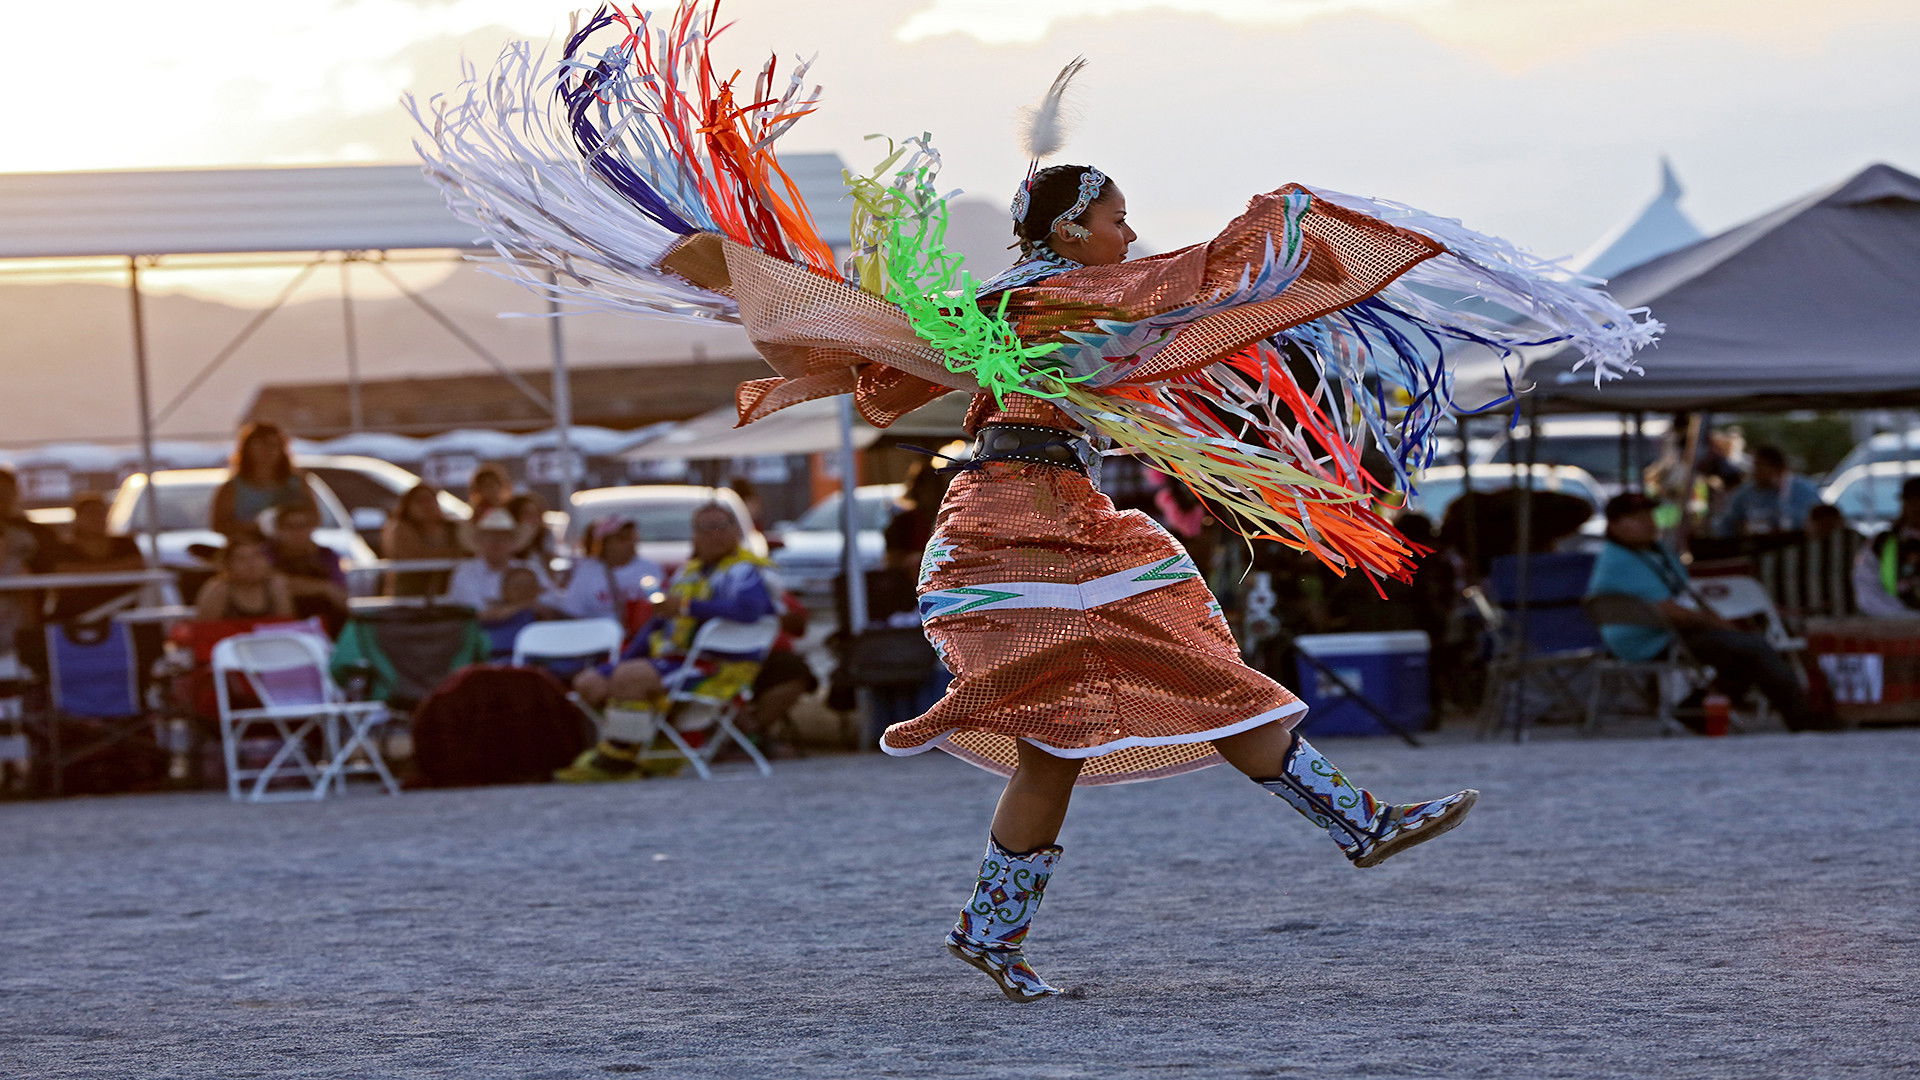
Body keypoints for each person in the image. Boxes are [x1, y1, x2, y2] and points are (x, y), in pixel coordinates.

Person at [424, 23, 1661, 1000]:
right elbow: (1189, 285)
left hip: (1060, 523)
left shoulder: (1028, 303)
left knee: (1112, 721)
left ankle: (1319, 835)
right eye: (1113, 213)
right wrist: (1290, 228)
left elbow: (1088, 328)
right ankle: (1325, 832)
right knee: (1085, 724)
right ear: (1074, 225)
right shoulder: (1055, 298)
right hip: (1019, 530)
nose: (1130, 231)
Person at [557, 504, 786, 782]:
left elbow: (752, 610)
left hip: (718, 667)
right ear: (694, 536)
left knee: (631, 678)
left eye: (720, 527)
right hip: (672, 660)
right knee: (589, 683)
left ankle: (618, 760)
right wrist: (626, 658)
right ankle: (652, 746)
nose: (714, 535)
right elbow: (659, 622)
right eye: (705, 528)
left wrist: (689, 607)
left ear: (736, 531)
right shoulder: (687, 573)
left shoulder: (746, 571)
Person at [1587, 493, 1823, 731]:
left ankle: (1697, 709)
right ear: (1615, 525)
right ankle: (1802, 719)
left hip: (1666, 632)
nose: (1649, 522)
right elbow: (1673, 613)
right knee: (1753, 649)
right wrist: (1717, 623)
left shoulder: (1653, 551)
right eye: (1637, 518)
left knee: (1745, 650)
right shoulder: (1621, 560)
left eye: (1649, 515)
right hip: (1653, 638)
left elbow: (1684, 593)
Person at [43, 493, 146, 623]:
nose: (97, 518)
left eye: (101, 513)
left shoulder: (125, 544)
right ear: (78, 518)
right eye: (91, 513)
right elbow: (63, 571)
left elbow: (137, 566)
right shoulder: (62, 548)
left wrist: (87, 573)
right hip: (74, 617)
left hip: (124, 612)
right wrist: (116, 570)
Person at [446, 508, 561, 619]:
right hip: (482, 636)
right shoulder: (466, 571)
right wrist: (525, 605)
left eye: (503, 537)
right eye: (490, 537)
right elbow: (479, 614)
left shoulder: (530, 568)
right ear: (479, 541)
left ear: (513, 542)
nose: (496, 542)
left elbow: (552, 602)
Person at [561, 517, 665, 625]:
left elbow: (660, 605)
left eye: (632, 537)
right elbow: (573, 612)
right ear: (605, 543)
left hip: (642, 637)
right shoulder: (586, 573)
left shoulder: (649, 569)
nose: (630, 543)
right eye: (622, 539)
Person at [210, 422, 306, 537]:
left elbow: (314, 518)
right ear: (247, 450)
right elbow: (219, 525)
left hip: (290, 551)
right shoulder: (232, 488)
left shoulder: (296, 484)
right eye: (259, 446)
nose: (266, 452)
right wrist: (256, 527)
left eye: (272, 445)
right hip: (248, 550)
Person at [266, 500, 350, 631]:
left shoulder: (327, 555)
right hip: (281, 625)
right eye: (291, 526)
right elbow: (271, 584)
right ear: (279, 529)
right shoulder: (266, 554)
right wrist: (323, 588)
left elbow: (340, 594)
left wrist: (327, 589)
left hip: (326, 623)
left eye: (303, 526)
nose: (298, 532)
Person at [0, 468, 58, 651]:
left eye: (6, 491)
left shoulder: (34, 531)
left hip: (22, 607)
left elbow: (50, 564)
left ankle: (29, 645)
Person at [1714, 444, 1821, 538]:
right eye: (1754, 466)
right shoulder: (1746, 493)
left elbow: (1814, 523)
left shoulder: (1803, 490)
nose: (1754, 471)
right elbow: (1726, 523)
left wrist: (1781, 500)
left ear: (1778, 469)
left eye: (1759, 466)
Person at [1853, 476, 1920, 617]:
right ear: (1904, 503)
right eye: (1912, 501)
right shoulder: (1882, 542)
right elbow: (1866, 590)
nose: (1917, 507)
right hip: (1897, 627)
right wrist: (1904, 617)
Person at [382, 483, 464, 596]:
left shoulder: (452, 528)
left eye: (430, 500)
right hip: (409, 596)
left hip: (445, 595)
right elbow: (412, 555)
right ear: (408, 505)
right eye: (420, 501)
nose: (427, 505)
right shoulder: (399, 527)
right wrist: (450, 553)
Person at [195, 529, 295, 621]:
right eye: (241, 558)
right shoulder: (218, 588)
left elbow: (285, 624)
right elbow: (205, 628)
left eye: (256, 556)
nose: (251, 564)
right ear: (228, 564)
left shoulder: (276, 584)